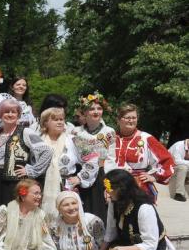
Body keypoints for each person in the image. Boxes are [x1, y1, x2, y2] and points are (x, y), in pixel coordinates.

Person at [0, 98, 52, 239]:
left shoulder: (25, 132)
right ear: (0, 114)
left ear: (18, 115)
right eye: (6, 111)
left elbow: (47, 151)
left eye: (13, 112)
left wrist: (31, 170)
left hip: (15, 182)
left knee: (14, 213)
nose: (9, 114)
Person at [38, 107, 99, 218]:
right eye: (56, 119)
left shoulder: (74, 139)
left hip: (66, 188)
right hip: (42, 188)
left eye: (62, 119)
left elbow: (93, 158)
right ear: (45, 122)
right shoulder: (37, 141)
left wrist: (80, 178)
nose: (60, 122)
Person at [113, 103, 174, 200]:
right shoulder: (110, 138)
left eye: (134, 117)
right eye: (127, 117)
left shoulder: (146, 138)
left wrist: (154, 176)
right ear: (118, 120)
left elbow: (167, 160)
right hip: (112, 186)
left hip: (138, 187)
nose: (131, 120)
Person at [71, 92, 117, 221]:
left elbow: (111, 158)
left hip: (102, 174)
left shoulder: (109, 132)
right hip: (81, 174)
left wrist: (109, 182)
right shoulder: (76, 132)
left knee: (101, 208)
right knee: (82, 207)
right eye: (91, 109)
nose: (96, 111)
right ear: (84, 113)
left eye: (99, 108)